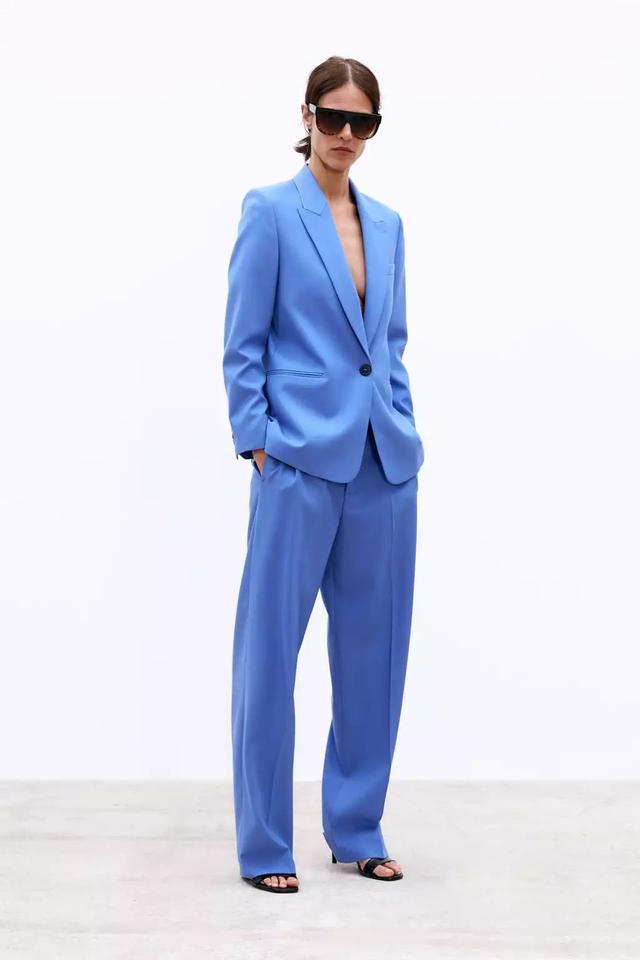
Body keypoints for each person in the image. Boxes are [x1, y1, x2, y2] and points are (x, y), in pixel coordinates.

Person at [222, 56, 425, 893]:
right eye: (332, 117)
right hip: (297, 461)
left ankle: (356, 828)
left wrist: (403, 426)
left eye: (361, 122)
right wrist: (257, 441)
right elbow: (243, 342)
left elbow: (391, 345)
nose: (345, 134)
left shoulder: (390, 224)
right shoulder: (270, 212)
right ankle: (266, 845)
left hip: (383, 465)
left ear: (374, 129)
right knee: (269, 655)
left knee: (375, 658)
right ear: (305, 116)